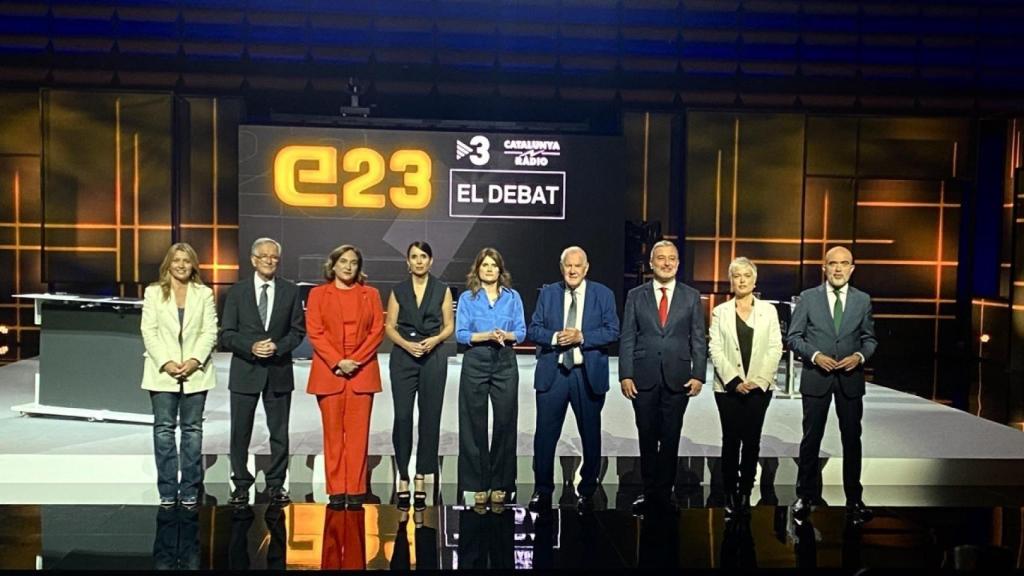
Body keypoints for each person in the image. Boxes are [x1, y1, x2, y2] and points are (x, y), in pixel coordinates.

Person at [787, 245, 877, 524]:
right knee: (811, 438)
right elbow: (793, 337)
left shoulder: (863, 300)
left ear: (852, 268)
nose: (838, 269)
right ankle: (805, 496)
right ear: (823, 268)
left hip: (850, 379)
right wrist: (815, 356)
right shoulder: (808, 298)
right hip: (817, 378)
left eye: (844, 263)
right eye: (832, 263)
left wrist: (859, 356)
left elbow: (870, 339)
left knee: (852, 439)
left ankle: (854, 498)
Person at [526, 246, 620, 513]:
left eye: (578, 266)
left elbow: (613, 330)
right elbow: (534, 328)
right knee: (545, 436)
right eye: (568, 265)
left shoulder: (603, 294)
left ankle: (587, 490)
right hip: (553, 374)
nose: (573, 270)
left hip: (586, 374)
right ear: (562, 267)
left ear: (586, 268)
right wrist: (556, 337)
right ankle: (542, 490)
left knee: (590, 436)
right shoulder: (548, 293)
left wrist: (582, 337)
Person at [619, 239, 707, 514]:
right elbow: (628, 337)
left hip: (678, 376)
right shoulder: (636, 295)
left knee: (671, 436)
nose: (667, 263)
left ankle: (665, 492)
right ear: (651, 263)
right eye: (661, 258)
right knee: (646, 435)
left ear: (678, 264)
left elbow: (698, 338)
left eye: (672, 258)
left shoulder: (691, 296)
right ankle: (648, 491)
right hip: (643, 377)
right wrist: (626, 374)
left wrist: (699, 374)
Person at [220, 237, 306, 507]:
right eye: (264, 256)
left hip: (278, 371)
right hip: (246, 370)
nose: (269, 260)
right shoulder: (237, 292)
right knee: (240, 432)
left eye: (274, 257)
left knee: (279, 432)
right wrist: (251, 347)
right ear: (254, 260)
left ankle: (277, 484)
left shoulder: (290, 291)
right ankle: (241, 484)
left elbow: (298, 331)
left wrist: (278, 347)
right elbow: (227, 334)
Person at [305, 244, 384, 509]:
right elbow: (315, 331)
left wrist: (356, 361)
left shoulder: (370, 294)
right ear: (333, 265)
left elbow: (376, 331)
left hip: (361, 373)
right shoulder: (318, 294)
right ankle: (337, 490)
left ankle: (356, 489)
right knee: (333, 435)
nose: (348, 266)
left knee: (358, 435)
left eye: (353, 262)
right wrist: (338, 361)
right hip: (330, 372)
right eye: (344, 262)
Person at [140, 242, 218, 508]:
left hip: (196, 371)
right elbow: (148, 331)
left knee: (192, 431)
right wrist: (167, 362)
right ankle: (167, 490)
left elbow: (210, 331)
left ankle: (189, 489)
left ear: (193, 264)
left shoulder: (204, 293)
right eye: (177, 260)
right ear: (168, 264)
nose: (182, 265)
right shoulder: (153, 293)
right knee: (163, 430)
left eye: (187, 260)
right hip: (163, 372)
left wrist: (195, 360)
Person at [708, 257, 783, 517]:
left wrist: (759, 380)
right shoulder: (720, 311)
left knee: (752, 440)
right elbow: (715, 349)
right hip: (728, 389)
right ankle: (729, 490)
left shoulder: (769, 311)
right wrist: (734, 381)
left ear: (754, 280)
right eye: (737, 275)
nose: (741, 280)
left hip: (759, 388)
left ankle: (745, 489)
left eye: (746, 276)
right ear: (731, 280)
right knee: (731, 439)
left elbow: (776, 347)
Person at [385, 241, 454, 511]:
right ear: (408, 262)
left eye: (423, 256)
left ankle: (421, 477)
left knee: (430, 417)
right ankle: (403, 476)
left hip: (433, 356)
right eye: (414, 257)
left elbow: (449, 326)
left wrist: (435, 340)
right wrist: (406, 344)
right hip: (404, 356)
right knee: (402, 417)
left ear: (431, 260)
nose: (419, 261)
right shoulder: (399, 290)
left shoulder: (441, 289)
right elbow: (389, 326)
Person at [455, 247, 526, 509]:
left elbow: (521, 331)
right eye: (484, 264)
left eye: (493, 265)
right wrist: (484, 335)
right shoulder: (467, 298)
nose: (489, 269)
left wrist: (505, 336)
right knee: (474, 424)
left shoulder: (512, 297)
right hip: (476, 359)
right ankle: (477, 485)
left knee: (505, 422)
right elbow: (460, 334)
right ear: (477, 269)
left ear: (500, 270)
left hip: (505, 360)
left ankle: (501, 484)